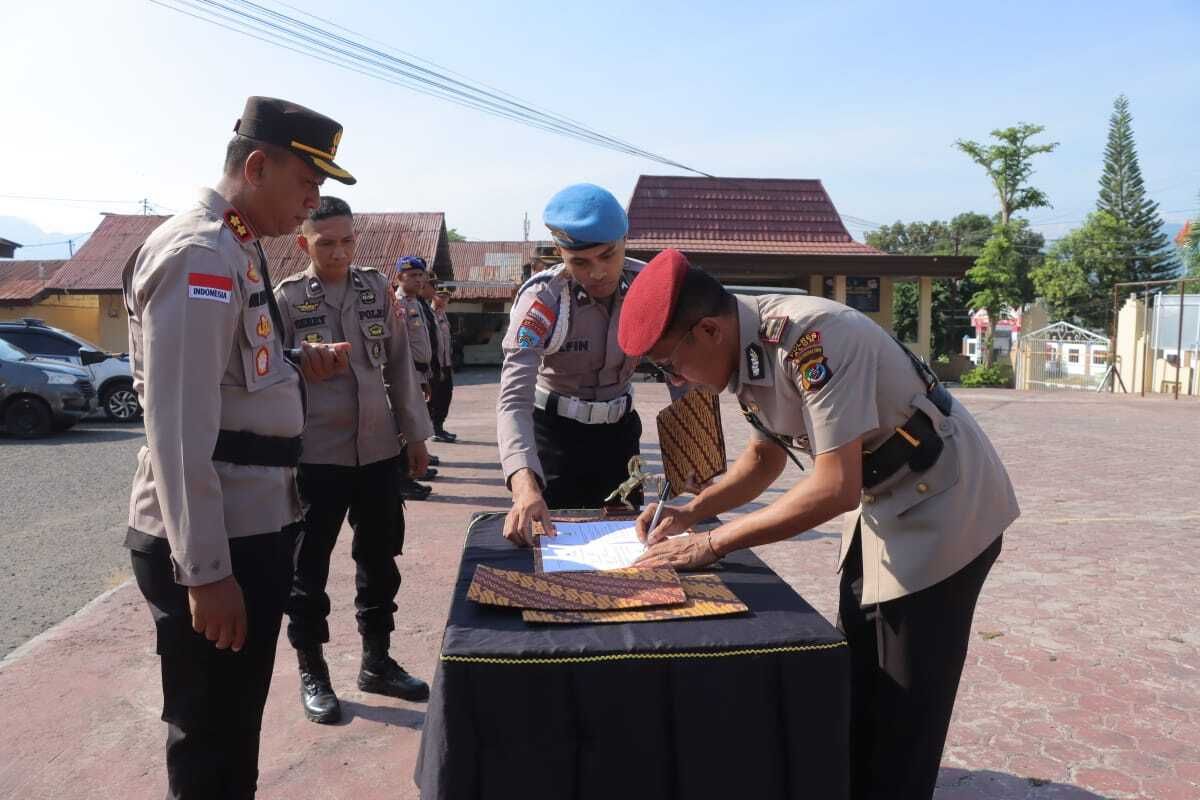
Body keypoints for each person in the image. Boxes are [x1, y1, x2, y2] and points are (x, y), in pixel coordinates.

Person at [619, 249, 1020, 800]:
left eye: (669, 364)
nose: (673, 379)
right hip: (884, 502)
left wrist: (709, 543)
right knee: (856, 673)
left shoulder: (813, 338)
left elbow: (834, 486)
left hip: (944, 501)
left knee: (905, 699)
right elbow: (766, 459)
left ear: (707, 330)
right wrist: (693, 512)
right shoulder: (744, 342)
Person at [121, 96, 356, 799]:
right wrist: (205, 572)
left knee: (232, 729)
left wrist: (293, 360)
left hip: (252, 521)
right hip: (215, 538)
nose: (311, 205)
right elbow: (179, 422)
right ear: (257, 166)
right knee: (210, 737)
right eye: (306, 187)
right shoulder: (199, 254)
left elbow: (230, 374)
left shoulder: (235, 246)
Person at [275, 196, 433, 724]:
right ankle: (312, 670)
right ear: (304, 244)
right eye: (326, 243)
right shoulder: (287, 299)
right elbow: (267, 369)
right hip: (316, 455)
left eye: (347, 241)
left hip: (378, 450)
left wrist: (415, 435)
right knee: (307, 567)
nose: (339, 252)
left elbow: (400, 367)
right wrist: (298, 361)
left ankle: (376, 662)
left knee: (380, 558)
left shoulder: (375, 291)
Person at [498, 183, 646, 546]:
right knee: (556, 553)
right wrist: (524, 487)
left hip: (621, 439)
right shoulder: (543, 301)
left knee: (628, 547)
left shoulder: (649, 289)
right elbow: (513, 400)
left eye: (608, 255)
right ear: (561, 254)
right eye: (579, 262)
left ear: (625, 239)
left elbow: (684, 375)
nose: (597, 272)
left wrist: (695, 453)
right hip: (554, 439)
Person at [393, 256, 437, 497]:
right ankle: (403, 480)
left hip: (419, 373)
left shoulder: (417, 303)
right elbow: (400, 347)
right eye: (413, 276)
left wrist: (425, 377)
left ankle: (411, 474)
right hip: (406, 375)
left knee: (414, 426)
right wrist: (413, 378)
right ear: (399, 278)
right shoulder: (397, 303)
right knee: (404, 429)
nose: (419, 280)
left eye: (421, 275)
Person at [427, 284, 457, 442]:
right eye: (442, 297)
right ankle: (434, 430)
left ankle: (439, 427)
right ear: (434, 297)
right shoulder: (428, 315)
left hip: (446, 364)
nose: (445, 300)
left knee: (446, 396)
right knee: (434, 398)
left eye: (447, 297)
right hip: (435, 365)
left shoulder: (443, 315)